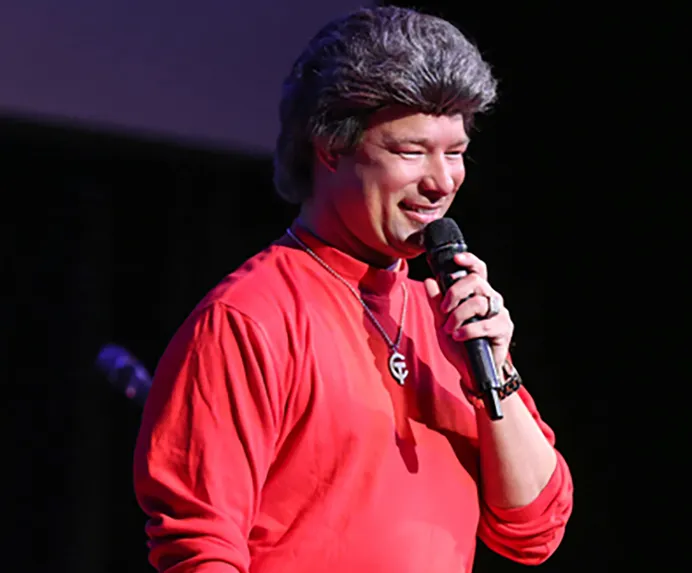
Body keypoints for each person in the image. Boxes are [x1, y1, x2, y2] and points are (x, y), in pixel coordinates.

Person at [132, 6, 573, 572]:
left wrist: (495, 373)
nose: (441, 181)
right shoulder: (248, 318)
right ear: (330, 147)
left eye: (456, 151)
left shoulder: (451, 317)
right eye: (411, 150)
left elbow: (533, 529)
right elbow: (200, 549)